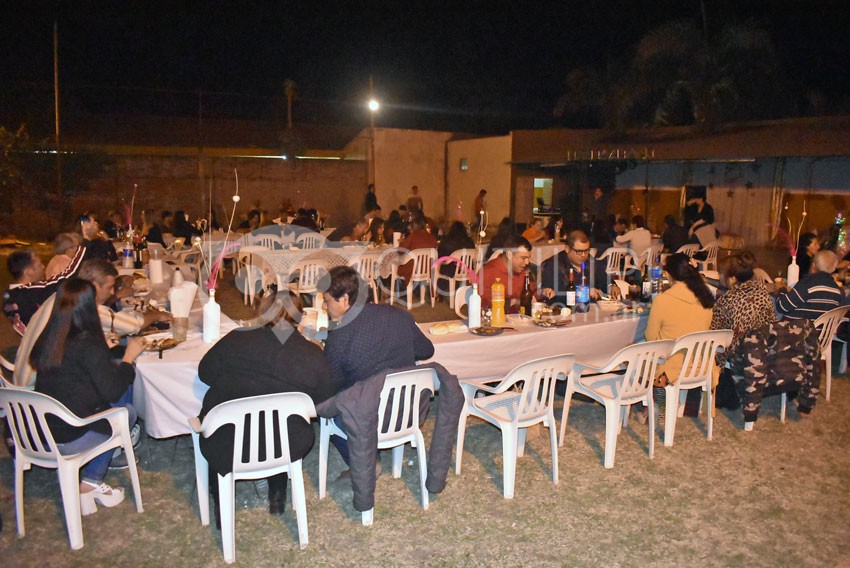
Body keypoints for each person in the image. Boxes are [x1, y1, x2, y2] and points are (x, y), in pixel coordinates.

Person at [197, 292, 337, 519]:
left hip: (227, 443)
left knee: (223, 428)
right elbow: (324, 398)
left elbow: (205, 373)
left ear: (261, 313)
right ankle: (277, 496)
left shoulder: (236, 338)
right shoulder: (310, 353)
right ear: (300, 318)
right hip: (287, 443)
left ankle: (220, 506)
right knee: (279, 422)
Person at [32, 278, 146, 515]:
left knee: (114, 392)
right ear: (87, 307)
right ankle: (91, 483)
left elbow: (74, 366)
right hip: (70, 434)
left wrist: (103, 348)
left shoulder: (49, 338)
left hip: (39, 429)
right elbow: (112, 389)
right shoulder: (87, 344)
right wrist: (129, 357)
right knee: (126, 411)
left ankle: (95, 475)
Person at [322, 266, 434, 465]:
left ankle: (368, 461)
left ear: (345, 299)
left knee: (327, 410)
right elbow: (427, 351)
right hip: (408, 413)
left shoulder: (339, 337)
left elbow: (332, 385)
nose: (324, 307)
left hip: (367, 419)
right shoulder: (399, 315)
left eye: (327, 300)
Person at [645, 253, 716, 386]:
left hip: (672, 365)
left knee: (635, 354)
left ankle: (656, 404)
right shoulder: (705, 297)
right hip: (701, 362)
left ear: (668, 274)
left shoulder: (663, 299)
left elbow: (650, 338)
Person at [711, 251, 778, 366]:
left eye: (720, 274)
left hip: (738, 360)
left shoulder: (727, 300)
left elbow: (714, 334)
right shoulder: (762, 292)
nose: (719, 277)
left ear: (732, 279)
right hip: (765, 353)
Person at [3, 246, 85, 335]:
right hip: (46, 345)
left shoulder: (9, 296)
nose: (43, 267)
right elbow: (68, 276)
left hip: (29, 344)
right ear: (28, 272)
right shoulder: (31, 292)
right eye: (39, 265)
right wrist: (85, 244)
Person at [78, 259, 171, 339]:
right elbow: (134, 324)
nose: (112, 292)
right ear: (95, 286)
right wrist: (158, 315)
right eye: (109, 287)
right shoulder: (94, 310)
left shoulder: (78, 302)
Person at [478, 234, 553, 311]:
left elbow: (530, 293)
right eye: (523, 258)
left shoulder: (521, 270)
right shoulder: (487, 272)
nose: (527, 262)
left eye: (528, 258)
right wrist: (514, 302)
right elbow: (483, 303)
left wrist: (542, 292)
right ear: (509, 255)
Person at [540, 229, 608, 303]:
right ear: (567, 249)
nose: (583, 255)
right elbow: (554, 295)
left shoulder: (590, 261)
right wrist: (584, 293)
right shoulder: (553, 265)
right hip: (564, 310)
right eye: (579, 251)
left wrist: (611, 286)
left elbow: (604, 280)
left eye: (586, 251)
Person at [776, 250, 843, 320]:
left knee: (771, 301)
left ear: (813, 264)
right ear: (833, 269)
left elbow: (781, 307)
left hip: (796, 329)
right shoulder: (837, 291)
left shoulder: (807, 284)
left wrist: (782, 290)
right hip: (822, 330)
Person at [397, 213, 438, 282]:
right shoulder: (432, 238)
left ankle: (399, 290)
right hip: (428, 269)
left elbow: (400, 251)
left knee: (396, 267)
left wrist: (401, 242)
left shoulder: (413, 236)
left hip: (413, 269)